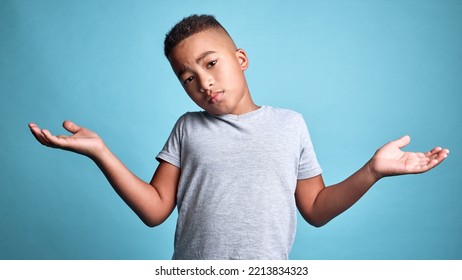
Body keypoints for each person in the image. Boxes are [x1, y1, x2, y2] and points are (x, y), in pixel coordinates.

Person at [28, 14, 449, 260]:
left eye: (211, 64)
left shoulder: (290, 124)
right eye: (188, 77)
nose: (204, 83)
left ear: (240, 59)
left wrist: (371, 171)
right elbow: (156, 210)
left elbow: (316, 210)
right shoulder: (187, 128)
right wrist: (100, 152)